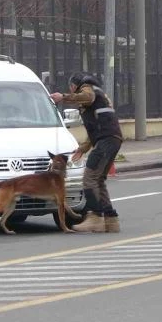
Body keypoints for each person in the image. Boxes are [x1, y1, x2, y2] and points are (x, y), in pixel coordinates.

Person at [51, 72, 122, 233]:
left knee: (89, 177)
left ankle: (95, 216)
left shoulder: (88, 89)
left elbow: (87, 97)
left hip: (107, 140)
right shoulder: (97, 93)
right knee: (98, 179)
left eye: (71, 87)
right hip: (109, 139)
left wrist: (63, 97)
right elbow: (97, 127)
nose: (71, 90)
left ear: (75, 85)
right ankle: (111, 219)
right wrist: (83, 148)